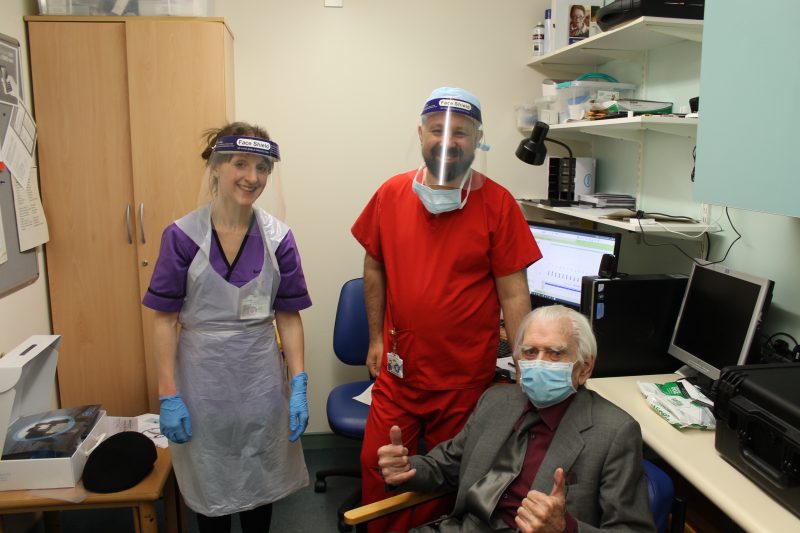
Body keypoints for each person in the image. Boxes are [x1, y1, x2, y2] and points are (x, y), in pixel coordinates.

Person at [352, 86, 542, 532]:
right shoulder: (390, 194)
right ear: (421, 134)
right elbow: (374, 267)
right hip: (401, 372)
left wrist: (524, 365)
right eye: (437, 130)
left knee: (447, 479)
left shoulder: (498, 204)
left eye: (461, 132)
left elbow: (515, 295)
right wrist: (377, 338)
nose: (447, 141)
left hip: (463, 379)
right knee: (379, 466)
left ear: (478, 139)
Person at [142, 122, 311, 533]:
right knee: (210, 478)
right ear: (215, 167)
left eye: (263, 167)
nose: (252, 177)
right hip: (203, 379)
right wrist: (169, 395)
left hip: (260, 377)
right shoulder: (182, 236)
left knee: (260, 474)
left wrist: (299, 384)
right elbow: (164, 319)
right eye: (240, 163)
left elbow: (288, 316)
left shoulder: (278, 238)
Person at [377, 305, 656, 533]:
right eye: (530, 352)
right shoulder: (496, 401)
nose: (538, 363)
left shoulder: (615, 432)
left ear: (585, 368)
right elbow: (448, 465)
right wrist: (406, 468)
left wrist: (566, 528)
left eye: (555, 353)